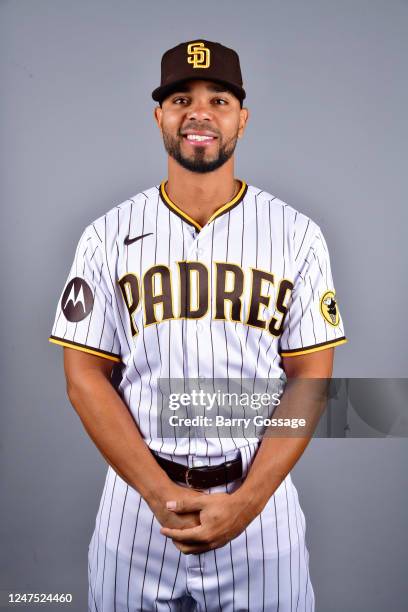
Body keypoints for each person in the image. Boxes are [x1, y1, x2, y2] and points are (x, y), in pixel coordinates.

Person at [49, 39, 347, 612]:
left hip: (257, 499)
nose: (199, 113)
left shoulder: (296, 234)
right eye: (181, 99)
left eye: (219, 99)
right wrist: (158, 493)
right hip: (137, 500)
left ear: (242, 117)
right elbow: (83, 375)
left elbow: (310, 377)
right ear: (159, 116)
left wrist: (249, 502)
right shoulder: (107, 234)